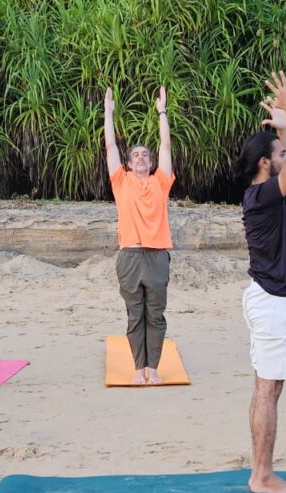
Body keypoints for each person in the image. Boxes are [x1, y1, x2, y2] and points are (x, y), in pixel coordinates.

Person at [235, 71, 286, 493]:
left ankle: (259, 470)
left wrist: (283, 120)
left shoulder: (260, 193)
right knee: (268, 390)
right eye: (277, 151)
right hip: (273, 301)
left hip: (264, 297)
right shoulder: (265, 194)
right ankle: (262, 475)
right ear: (266, 162)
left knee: (264, 387)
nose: (284, 153)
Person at [103, 86, 175, 384]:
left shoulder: (161, 181)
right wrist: (108, 113)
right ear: (130, 163)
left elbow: (167, 147)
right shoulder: (121, 181)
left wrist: (162, 112)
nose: (142, 157)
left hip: (157, 255)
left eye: (146, 154)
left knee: (155, 315)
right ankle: (137, 368)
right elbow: (110, 148)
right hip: (130, 255)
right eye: (136, 155)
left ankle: (153, 368)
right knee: (135, 315)